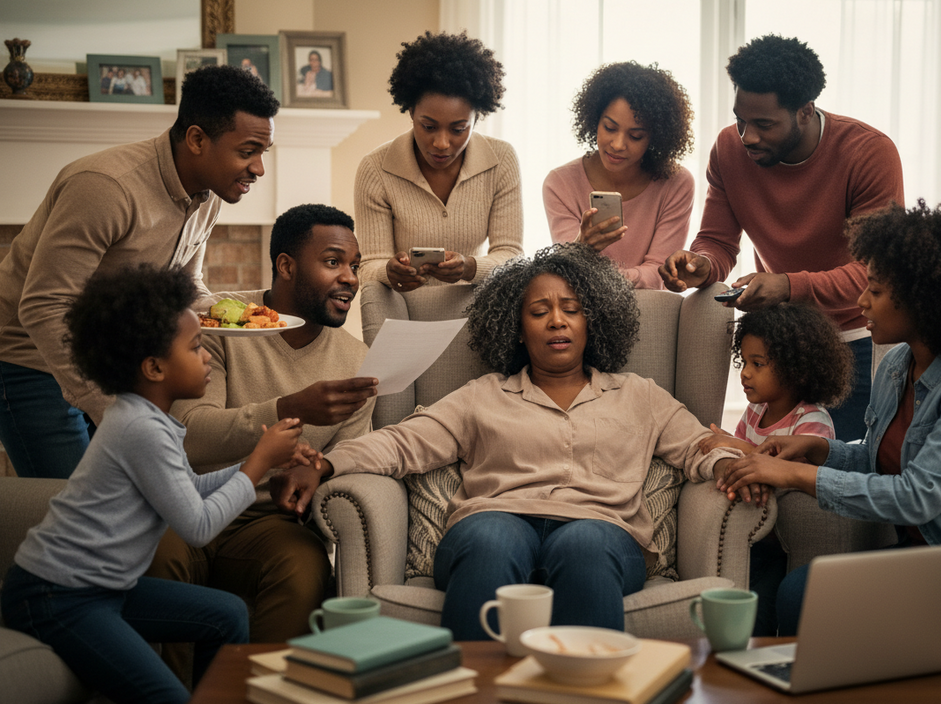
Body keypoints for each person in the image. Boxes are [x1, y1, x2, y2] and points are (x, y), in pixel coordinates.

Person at [271, 243, 744, 637]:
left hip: (600, 528)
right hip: (494, 520)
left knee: (584, 546)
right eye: (539, 312)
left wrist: (729, 465)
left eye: (571, 310)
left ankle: (586, 703)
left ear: (591, 321)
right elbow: (400, 444)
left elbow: (697, 445)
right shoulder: (483, 396)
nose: (557, 321)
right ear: (517, 329)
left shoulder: (638, 394)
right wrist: (325, 464)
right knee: (491, 539)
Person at [718, 200, 941, 657]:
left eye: (875, 291)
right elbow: (878, 459)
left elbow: (917, 496)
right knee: (798, 594)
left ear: (922, 300)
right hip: (932, 556)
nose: (860, 301)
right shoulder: (896, 365)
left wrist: (796, 476)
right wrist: (816, 449)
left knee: (818, 610)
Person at [0, 264, 309, 704]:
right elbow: (197, 526)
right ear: (154, 367)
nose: (207, 357)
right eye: (196, 347)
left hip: (101, 590)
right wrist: (257, 462)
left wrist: (263, 467)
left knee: (224, 615)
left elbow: (188, 489)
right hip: (55, 596)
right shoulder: (139, 428)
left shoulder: (150, 420)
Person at [0, 64, 279, 480]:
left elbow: (186, 290)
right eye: (247, 151)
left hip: (107, 359)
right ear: (197, 139)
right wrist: (113, 407)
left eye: (263, 153)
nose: (258, 168)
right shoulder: (105, 186)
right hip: (28, 357)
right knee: (81, 513)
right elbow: (44, 305)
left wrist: (261, 310)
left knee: (130, 500)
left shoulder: (209, 195)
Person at [145, 204, 378, 665]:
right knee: (158, 553)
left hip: (268, 522)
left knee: (304, 569)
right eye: (333, 262)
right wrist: (289, 409)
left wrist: (316, 471)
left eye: (353, 265)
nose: (350, 277)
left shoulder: (358, 360)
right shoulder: (220, 322)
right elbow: (190, 435)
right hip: (187, 502)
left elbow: (351, 451)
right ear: (286, 266)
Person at [659, 34, 904, 442]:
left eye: (764, 124)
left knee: (841, 483)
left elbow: (873, 274)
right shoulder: (728, 150)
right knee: (769, 479)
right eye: (741, 119)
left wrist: (788, 286)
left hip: (859, 343)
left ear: (805, 111)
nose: (747, 136)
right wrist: (699, 266)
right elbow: (717, 244)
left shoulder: (868, 153)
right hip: (781, 346)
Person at [699, 302, 852, 635]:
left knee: (763, 613)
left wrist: (741, 448)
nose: (745, 373)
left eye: (758, 364)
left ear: (795, 369)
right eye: (744, 361)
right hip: (754, 534)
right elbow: (743, 457)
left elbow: (793, 475)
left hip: (786, 539)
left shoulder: (811, 420)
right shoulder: (755, 411)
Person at [355, 30, 523, 293]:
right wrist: (389, 271)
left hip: (477, 310)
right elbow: (368, 267)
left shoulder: (501, 160)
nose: (442, 143)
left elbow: (511, 256)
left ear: (476, 118)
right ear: (411, 112)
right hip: (401, 310)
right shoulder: (376, 169)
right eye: (429, 126)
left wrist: (469, 267)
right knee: (374, 291)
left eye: (458, 129)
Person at [543, 61, 694, 289]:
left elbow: (659, 274)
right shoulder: (560, 183)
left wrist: (596, 273)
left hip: (650, 310)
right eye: (610, 128)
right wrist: (579, 248)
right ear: (594, 121)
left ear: (655, 137)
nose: (618, 144)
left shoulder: (676, 183)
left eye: (635, 136)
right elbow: (568, 275)